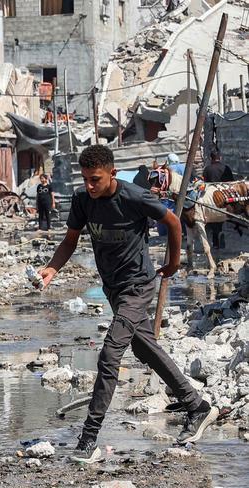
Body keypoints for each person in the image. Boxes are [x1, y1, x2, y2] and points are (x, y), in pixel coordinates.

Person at [39, 144, 217, 463]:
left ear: (112, 173)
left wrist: (174, 263)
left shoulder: (134, 197)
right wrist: (52, 268)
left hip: (139, 285)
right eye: (86, 180)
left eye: (95, 179)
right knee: (144, 348)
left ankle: (88, 440)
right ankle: (197, 406)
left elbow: (174, 222)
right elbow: (69, 241)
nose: (90, 186)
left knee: (109, 354)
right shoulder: (82, 201)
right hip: (113, 287)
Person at [202, 150, 234, 249]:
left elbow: (204, 183)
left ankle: (216, 242)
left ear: (211, 158)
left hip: (212, 196)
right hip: (225, 196)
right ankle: (220, 232)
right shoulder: (226, 168)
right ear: (219, 158)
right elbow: (231, 182)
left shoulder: (207, 169)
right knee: (223, 215)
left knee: (213, 218)